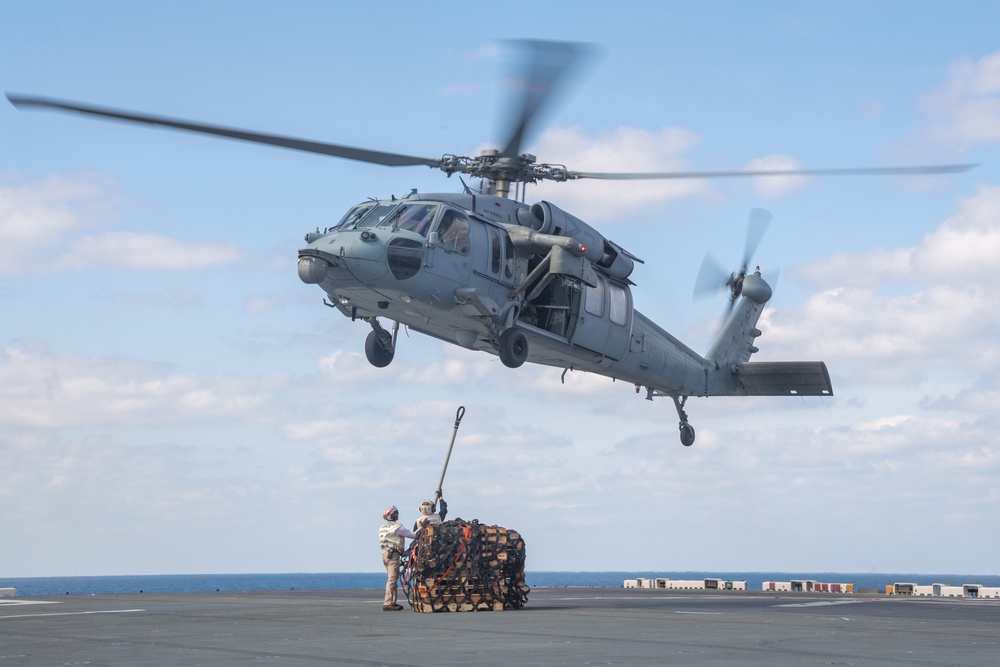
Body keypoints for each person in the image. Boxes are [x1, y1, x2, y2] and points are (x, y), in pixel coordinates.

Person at [378, 505, 417, 611]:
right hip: (393, 555)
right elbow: (413, 535)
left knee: (393, 578)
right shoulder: (397, 528)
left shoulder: (382, 528)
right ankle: (388, 602)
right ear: (394, 515)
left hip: (385, 554)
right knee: (392, 578)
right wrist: (422, 528)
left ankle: (392, 601)